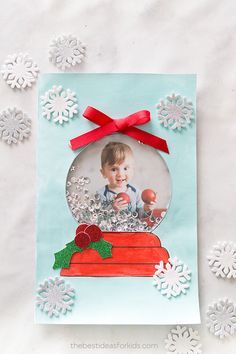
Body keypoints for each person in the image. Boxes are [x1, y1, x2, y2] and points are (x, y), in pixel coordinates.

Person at [97, 141, 155, 218]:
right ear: (103, 173)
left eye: (125, 168)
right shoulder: (101, 194)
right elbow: (99, 217)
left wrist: (146, 209)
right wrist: (113, 209)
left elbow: (140, 215)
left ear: (133, 170)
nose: (120, 174)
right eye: (114, 169)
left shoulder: (135, 192)